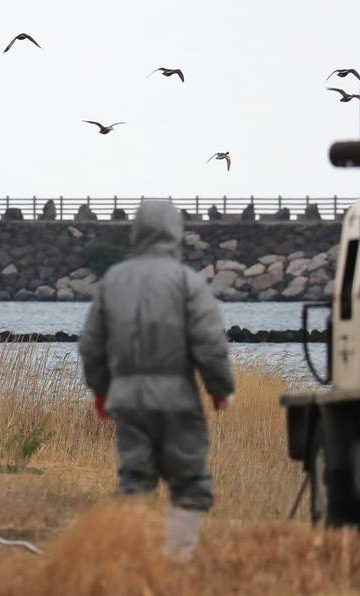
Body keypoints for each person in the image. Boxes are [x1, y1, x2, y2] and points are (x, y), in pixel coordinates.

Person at [78, 199, 236, 561]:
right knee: (190, 481)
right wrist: (219, 389)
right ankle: (178, 556)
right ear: (175, 232)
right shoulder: (187, 282)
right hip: (177, 399)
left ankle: (130, 557)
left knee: (134, 479)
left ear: (137, 232)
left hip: (128, 400)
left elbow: (91, 344)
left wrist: (101, 390)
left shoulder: (114, 280)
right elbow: (210, 344)